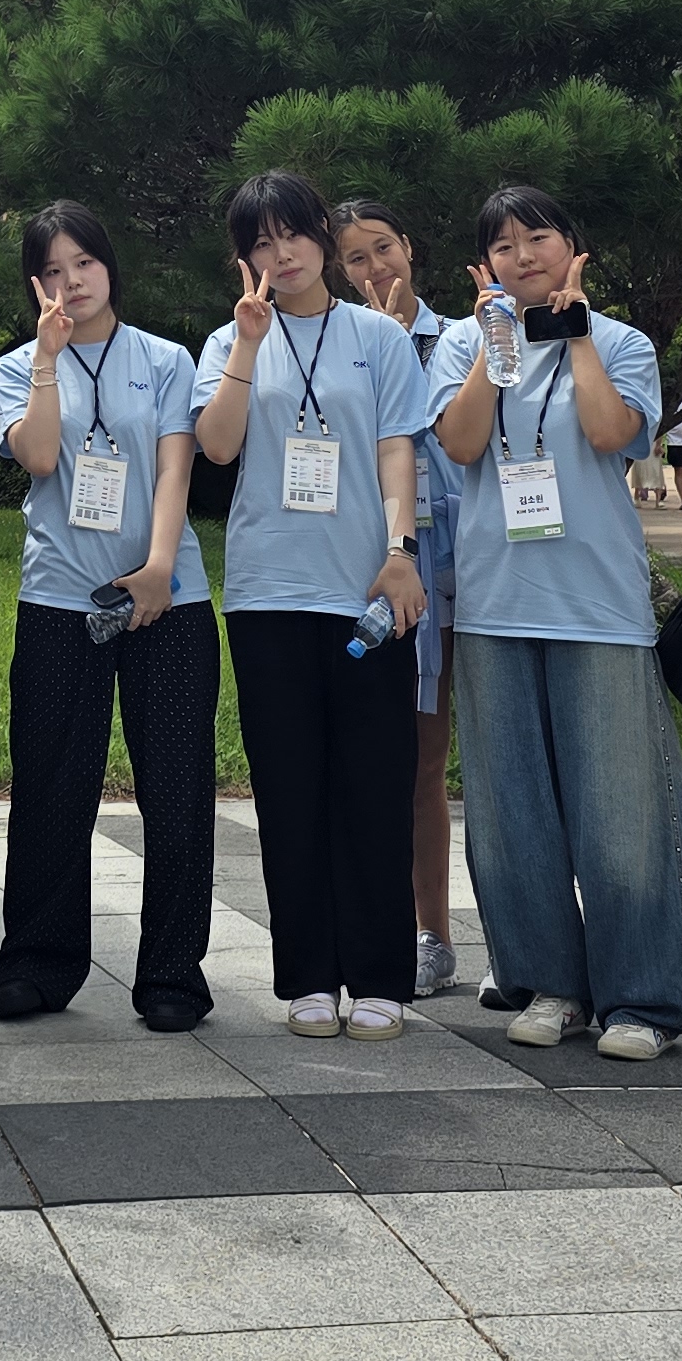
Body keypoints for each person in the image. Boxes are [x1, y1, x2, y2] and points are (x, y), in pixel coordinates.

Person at [432, 183, 682, 1061]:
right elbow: (461, 444)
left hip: (598, 605)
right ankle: (549, 983)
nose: (522, 256)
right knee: (512, 810)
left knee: (621, 811)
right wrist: (495, 343)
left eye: (538, 238)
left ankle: (642, 998)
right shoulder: (463, 344)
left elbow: (612, 433)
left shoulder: (620, 342)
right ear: (484, 265)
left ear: (572, 248)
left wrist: (576, 333)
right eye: (503, 245)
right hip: (495, 603)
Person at [196, 171, 432, 1039]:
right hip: (267, 594)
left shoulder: (376, 337)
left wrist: (401, 552)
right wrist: (247, 345)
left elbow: (397, 449)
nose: (281, 254)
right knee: (288, 789)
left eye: (292, 234)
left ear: (322, 236)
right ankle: (307, 976)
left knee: (375, 784)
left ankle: (379, 975)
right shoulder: (229, 339)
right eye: (260, 242)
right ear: (243, 257)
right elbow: (218, 447)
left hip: (366, 592)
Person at [0, 201, 215, 1028]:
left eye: (83, 262)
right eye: (52, 271)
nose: (71, 282)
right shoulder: (16, 366)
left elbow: (175, 468)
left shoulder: (164, 359)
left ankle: (172, 975)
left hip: (167, 599)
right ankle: (37, 964)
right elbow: (40, 456)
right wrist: (49, 360)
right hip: (60, 599)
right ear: (34, 285)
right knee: (52, 785)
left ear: (109, 265)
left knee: (177, 789)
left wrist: (159, 569)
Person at [337, 195, 462, 1000]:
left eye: (383, 247)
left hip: (476, 561)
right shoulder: (340, 347)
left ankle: (523, 942)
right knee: (412, 760)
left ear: (409, 247)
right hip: (392, 567)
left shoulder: (463, 339)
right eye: (356, 257)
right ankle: (424, 934)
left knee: (490, 759)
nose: (375, 266)